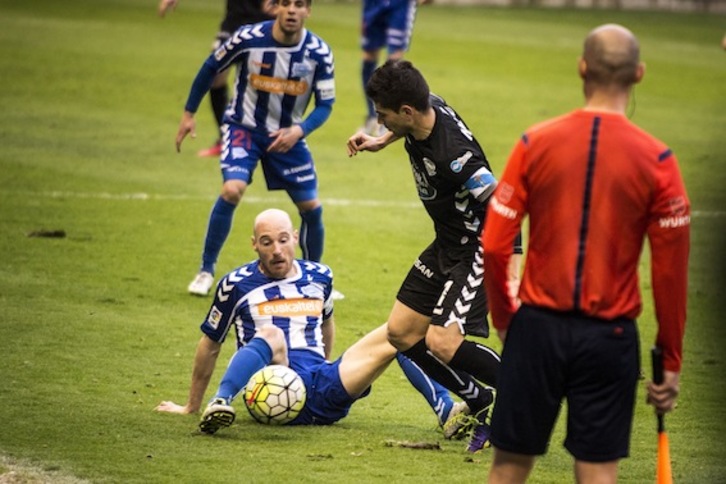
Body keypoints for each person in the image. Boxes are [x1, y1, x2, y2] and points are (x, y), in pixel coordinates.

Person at [482, 24, 690, 483]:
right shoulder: (659, 161)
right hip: (610, 338)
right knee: (597, 474)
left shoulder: (535, 143)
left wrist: (505, 320)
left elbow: (496, 243)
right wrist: (670, 360)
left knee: (509, 468)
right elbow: (671, 272)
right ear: (639, 74)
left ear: (582, 68)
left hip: (535, 329)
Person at [155, 209, 468, 432]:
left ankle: (447, 412)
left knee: (401, 333)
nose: (277, 251)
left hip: (320, 384)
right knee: (272, 334)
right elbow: (210, 344)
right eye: (266, 242)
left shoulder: (320, 276)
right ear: (254, 244)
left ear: (294, 237)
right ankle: (219, 402)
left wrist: (329, 365)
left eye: (282, 240)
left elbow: (326, 324)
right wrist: (190, 406)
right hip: (270, 388)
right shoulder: (235, 284)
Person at [346, 60, 522, 452]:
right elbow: (425, 105)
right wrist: (380, 140)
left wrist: (511, 271)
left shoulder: (455, 155)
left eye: (383, 116)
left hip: (477, 246)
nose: (379, 120)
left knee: (442, 342)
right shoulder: (427, 107)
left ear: (407, 112)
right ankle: (478, 399)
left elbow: (503, 204)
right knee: (401, 332)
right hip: (446, 241)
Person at [174, 0, 342, 300]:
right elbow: (212, 66)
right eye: (286, 3)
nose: (292, 10)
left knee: (312, 209)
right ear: (272, 7)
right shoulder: (247, 38)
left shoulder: (319, 52)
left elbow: (326, 104)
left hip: (287, 137)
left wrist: (299, 130)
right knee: (232, 189)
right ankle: (205, 270)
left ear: (308, 11)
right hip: (244, 129)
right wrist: (189, 113)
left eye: (300, 4)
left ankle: (316, 278)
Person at [158, 0, 276, 157]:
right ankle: (226, 139)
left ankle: (268, 137)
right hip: (234, 21)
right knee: (215, 76)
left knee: (266, 82)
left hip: (265, 20)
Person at [359, 0, 431, 135]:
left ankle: (389, 117)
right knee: (368, 56)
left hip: (400, 4)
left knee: (394, 61)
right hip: (373, 3)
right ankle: (372, 116)